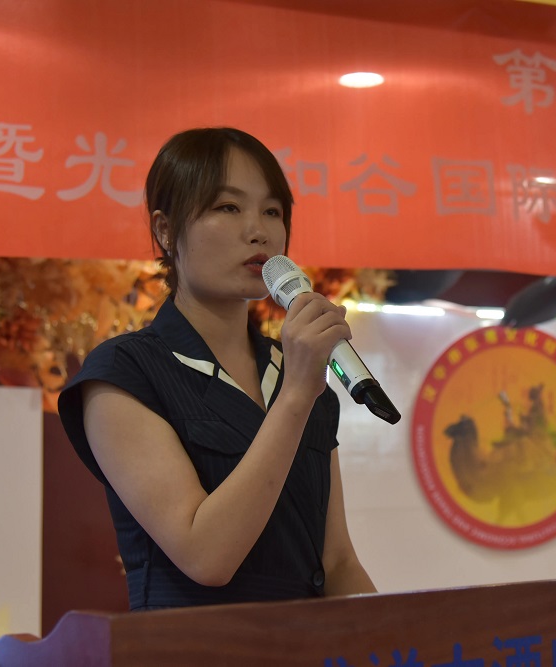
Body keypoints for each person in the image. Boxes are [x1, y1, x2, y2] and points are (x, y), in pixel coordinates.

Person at [58, 127, 377, 610]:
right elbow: (206, 556)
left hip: (307, 644)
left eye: (272, 211)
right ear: (165, 231)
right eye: (228, 208)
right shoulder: (124, 373)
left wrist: (397, 642)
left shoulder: (296, 371)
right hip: (194, 645)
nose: (258, 231)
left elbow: (337, 562)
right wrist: (295, 394)